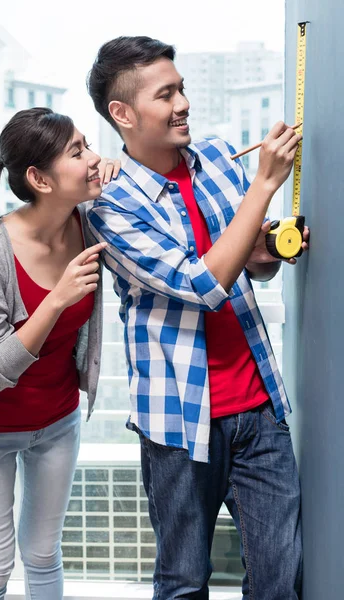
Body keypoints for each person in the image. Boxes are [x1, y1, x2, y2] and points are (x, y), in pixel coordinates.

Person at [86, 36, 309, 599]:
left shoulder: (216, 158)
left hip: (259, 409)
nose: (183, 103)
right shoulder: (111, 208)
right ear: (123, 113)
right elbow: (203, 285)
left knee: (280, 582)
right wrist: (264, 184)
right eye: (166, 94)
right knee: (184, 582)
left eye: (182, 88)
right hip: (179, 425)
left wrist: (271, 249)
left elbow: (246, 266)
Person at [0, 107, 118, 600]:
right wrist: (57, 299)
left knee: (43, 555)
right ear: (39, 179)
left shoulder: (89, 222)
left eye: (88, 146)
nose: (92, 159)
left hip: (58, 423)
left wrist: (122, 171)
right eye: (77, 152)